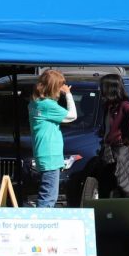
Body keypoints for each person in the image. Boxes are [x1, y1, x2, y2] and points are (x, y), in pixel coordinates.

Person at [29, 69, 77, 208]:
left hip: (44, 153)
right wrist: (68, 94)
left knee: (47, 193)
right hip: (50, 155)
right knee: (48, 196)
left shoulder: (35, 103)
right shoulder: (47, 105)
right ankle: (42, 226)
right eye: (59, 86)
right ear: (53, 87)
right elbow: (72, 116)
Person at [98, 74, 129, 198]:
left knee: (125, 185)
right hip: (108, 151)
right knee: (106, 185)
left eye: (103, 87)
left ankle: (127, 213)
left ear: (111, 88)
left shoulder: (124, 106)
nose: (101, 89)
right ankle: (108, 214)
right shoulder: (108, 106)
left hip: (120, 150)